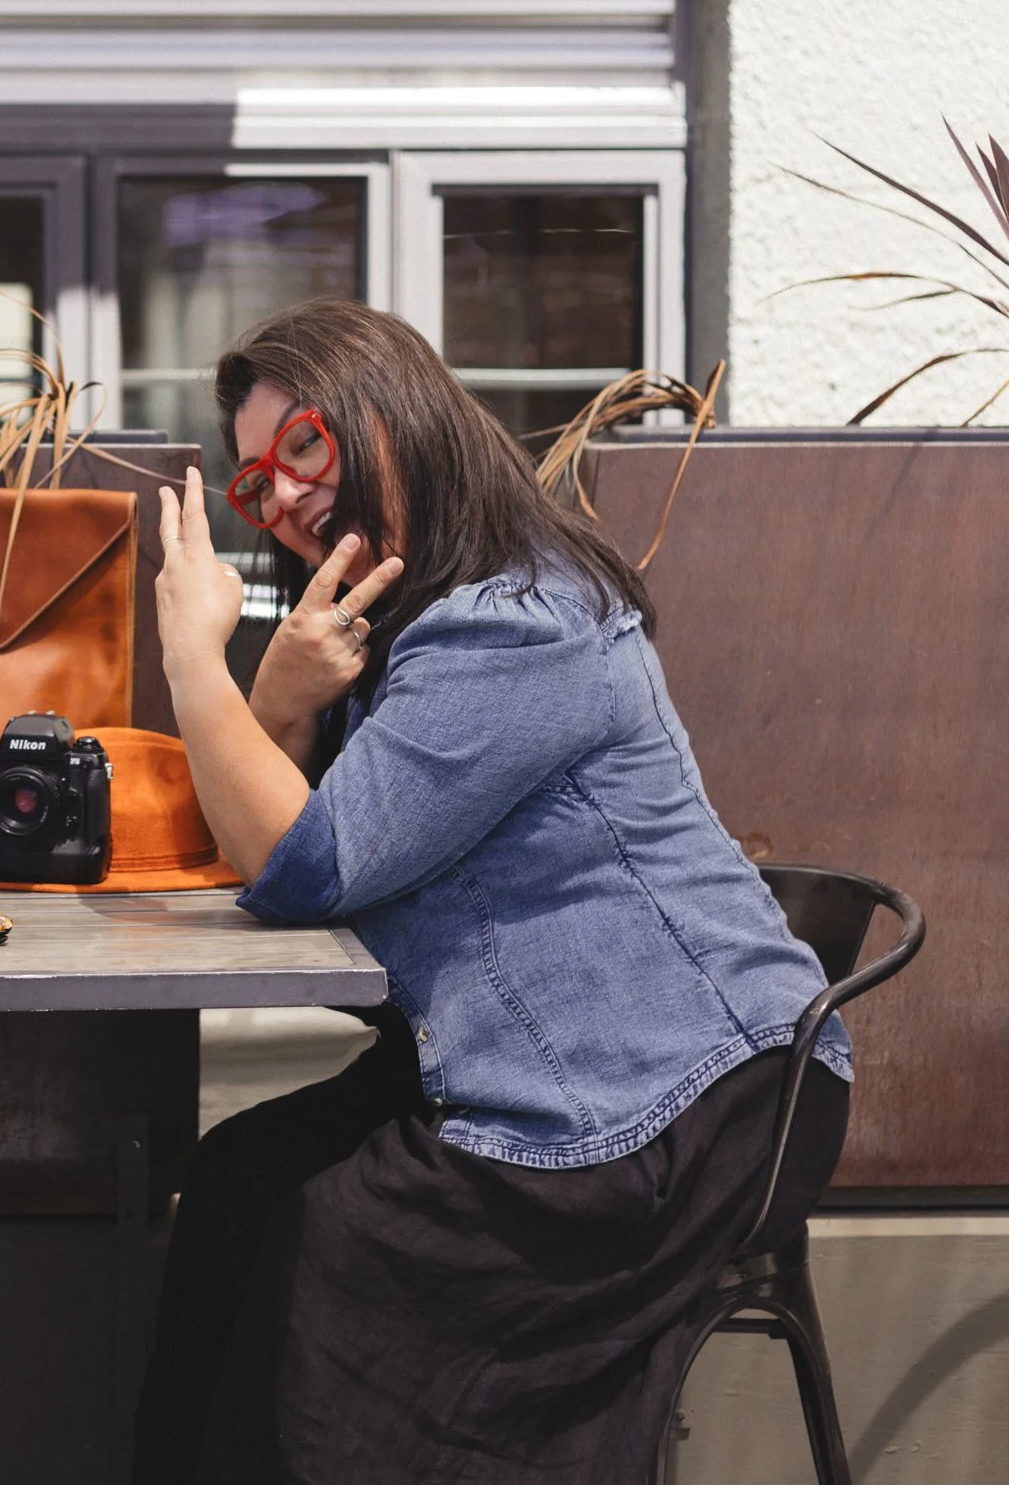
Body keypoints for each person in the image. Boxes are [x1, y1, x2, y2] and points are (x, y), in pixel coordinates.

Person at [131, 298, 851, 1482]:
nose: (288, 497)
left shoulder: (513, 622)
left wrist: (193, 661)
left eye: (301, 444)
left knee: (339, 1247)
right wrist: (282, 697)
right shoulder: (410, 631)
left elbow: (303, 865)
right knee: (237, 1180)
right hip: (541, 1054)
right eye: (256, 485)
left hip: (676, 1097)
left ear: (389, 414)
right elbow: (270, 839)